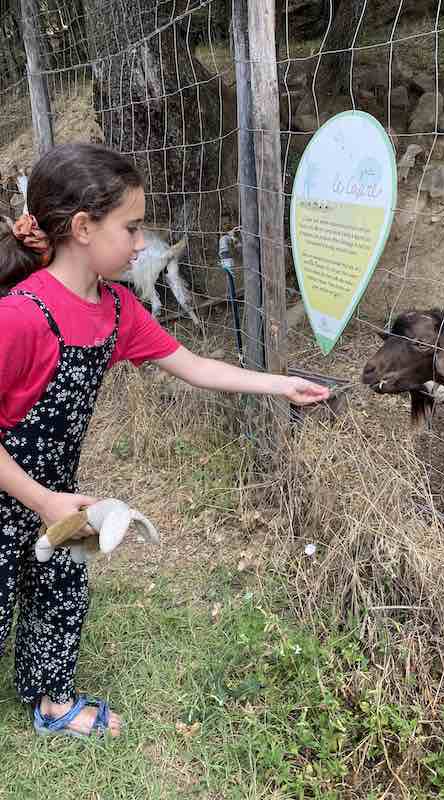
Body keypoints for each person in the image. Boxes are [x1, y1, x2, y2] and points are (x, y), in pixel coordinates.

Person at [0, 142, 329, 739]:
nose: (139, 243)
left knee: (60, 587)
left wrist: (281, 384)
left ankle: (51, 703)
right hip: (10, 489)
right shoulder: (18, 317)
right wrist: (41, 499)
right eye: (130, 228)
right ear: (81, 228)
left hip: (55, 492)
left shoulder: (119, 309)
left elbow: (197, 366)